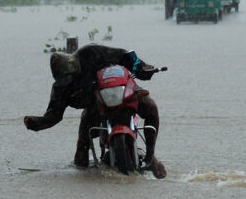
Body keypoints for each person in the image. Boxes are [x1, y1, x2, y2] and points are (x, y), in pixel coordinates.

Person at [24, 44, 166, 178]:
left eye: (72, 77)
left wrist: (141, 67)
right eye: (65, 79)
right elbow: (54, 115)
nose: (70, 81)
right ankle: (83, 177)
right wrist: (37, 123)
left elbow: (124, 55)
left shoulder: (91, 53)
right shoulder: (61, 88)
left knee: (151, 107)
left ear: (74, 64)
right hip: (98, 106)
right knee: (81, 149)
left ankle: (150, 155)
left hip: (123, 90)